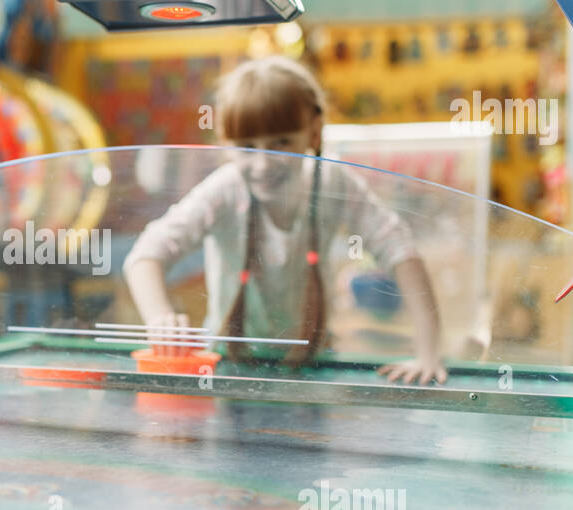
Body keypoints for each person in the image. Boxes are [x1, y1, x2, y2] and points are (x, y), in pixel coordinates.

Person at [123, 55, 446, 384]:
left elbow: (399, 249)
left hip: (314, 366)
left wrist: (429, 354)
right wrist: (160, 317)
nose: (263, 165)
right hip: (227, 368)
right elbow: (146, 255)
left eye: (281, 143)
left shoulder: (333, 181)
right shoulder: (225, 189)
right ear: (224, 141)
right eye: (247, 147)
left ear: (314, 132)